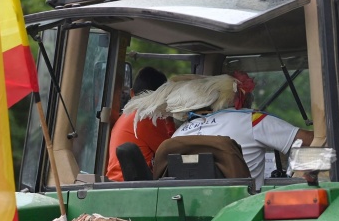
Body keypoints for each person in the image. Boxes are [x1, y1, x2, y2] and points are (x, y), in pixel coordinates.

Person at [125, 71, 313, 188]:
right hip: (244, 215)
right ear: (238, 97)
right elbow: (311, 140)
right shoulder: (253, 120)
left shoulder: (179, 134)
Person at [106, 67, 175, 181]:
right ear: (162, 96)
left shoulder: (128, 114)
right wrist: (169, 119)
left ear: (132, 93)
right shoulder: (147, 116)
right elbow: (171, 152)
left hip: (119, 181)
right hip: (132, 183)